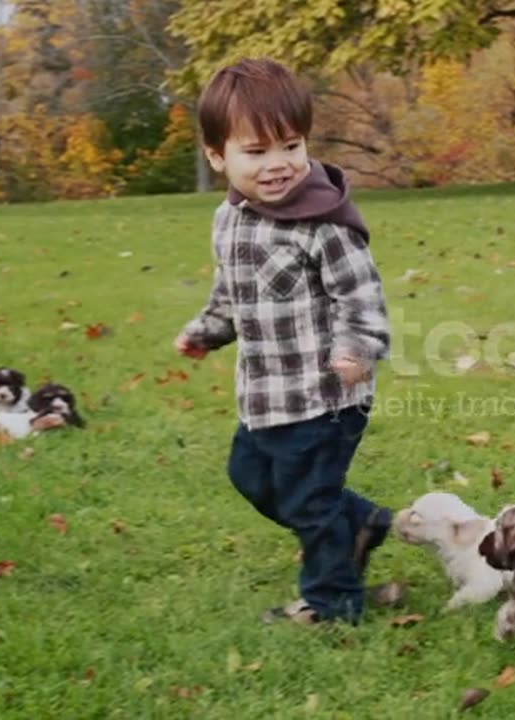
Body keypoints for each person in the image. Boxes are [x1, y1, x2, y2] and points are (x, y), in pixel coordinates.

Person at [174, 58, 392, 625]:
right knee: (250, 478)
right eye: (256, 151)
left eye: (290, 146)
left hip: (325, 397)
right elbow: (231, 291)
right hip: (265, 394)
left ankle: (333, 602)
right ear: (217, 155)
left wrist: (358, 349)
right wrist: (208, 330)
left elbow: (362, 296)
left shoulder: (325, 222)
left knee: (307, 499)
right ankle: (361, 523)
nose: (278, 165)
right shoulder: (230, 218)